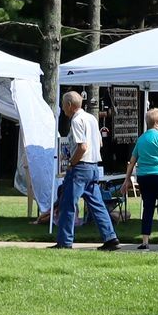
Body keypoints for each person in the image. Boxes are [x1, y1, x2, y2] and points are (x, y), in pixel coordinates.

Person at [53, 90, 119, 251]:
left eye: (63, 104)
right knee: (97, 204)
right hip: (93, 166)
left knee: (67, 203)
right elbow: (99, 144)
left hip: (80, 167)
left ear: (69, 105)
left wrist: (71, 163)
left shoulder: (76, 121)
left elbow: (82, 146)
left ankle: (65, 241)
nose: (62, 108)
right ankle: (110, 237)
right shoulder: (91, 118)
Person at [128, 108, 158, 250]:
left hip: (144, 176)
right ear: (157, 122)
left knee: (147, 208)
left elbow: (132, 161)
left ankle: (145, 242)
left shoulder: (141, 139)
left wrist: (127, 179)